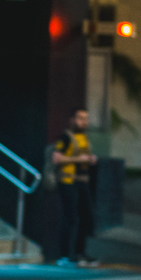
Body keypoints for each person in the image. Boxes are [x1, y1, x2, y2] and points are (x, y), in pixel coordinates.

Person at [53, 108, 98, 267]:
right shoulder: (66, 137)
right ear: (72, 119)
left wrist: (91, 159)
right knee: (70, 217)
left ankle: (80, 254)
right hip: (68, 181)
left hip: (82, 182)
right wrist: (78, 159)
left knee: (86, 217)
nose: (83, 122)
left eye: (85, 118)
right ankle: (64, 255)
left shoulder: (84, 138)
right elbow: (56, 158)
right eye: (80, 118)